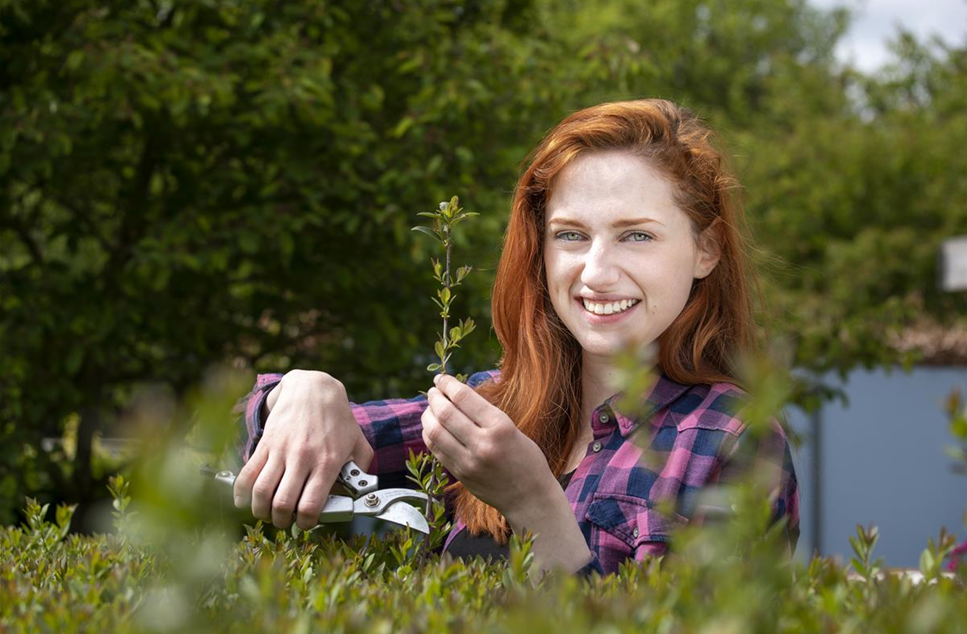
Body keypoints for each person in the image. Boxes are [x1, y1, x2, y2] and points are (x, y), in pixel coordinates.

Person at [232, 98, 799, 577]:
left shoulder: (732, 439)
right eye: (571, 235)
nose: (597, 272)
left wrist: (533, 503)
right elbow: (262, 445)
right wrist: (304, 394)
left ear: (707, 249)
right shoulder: (494, 407)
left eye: (637, 236)